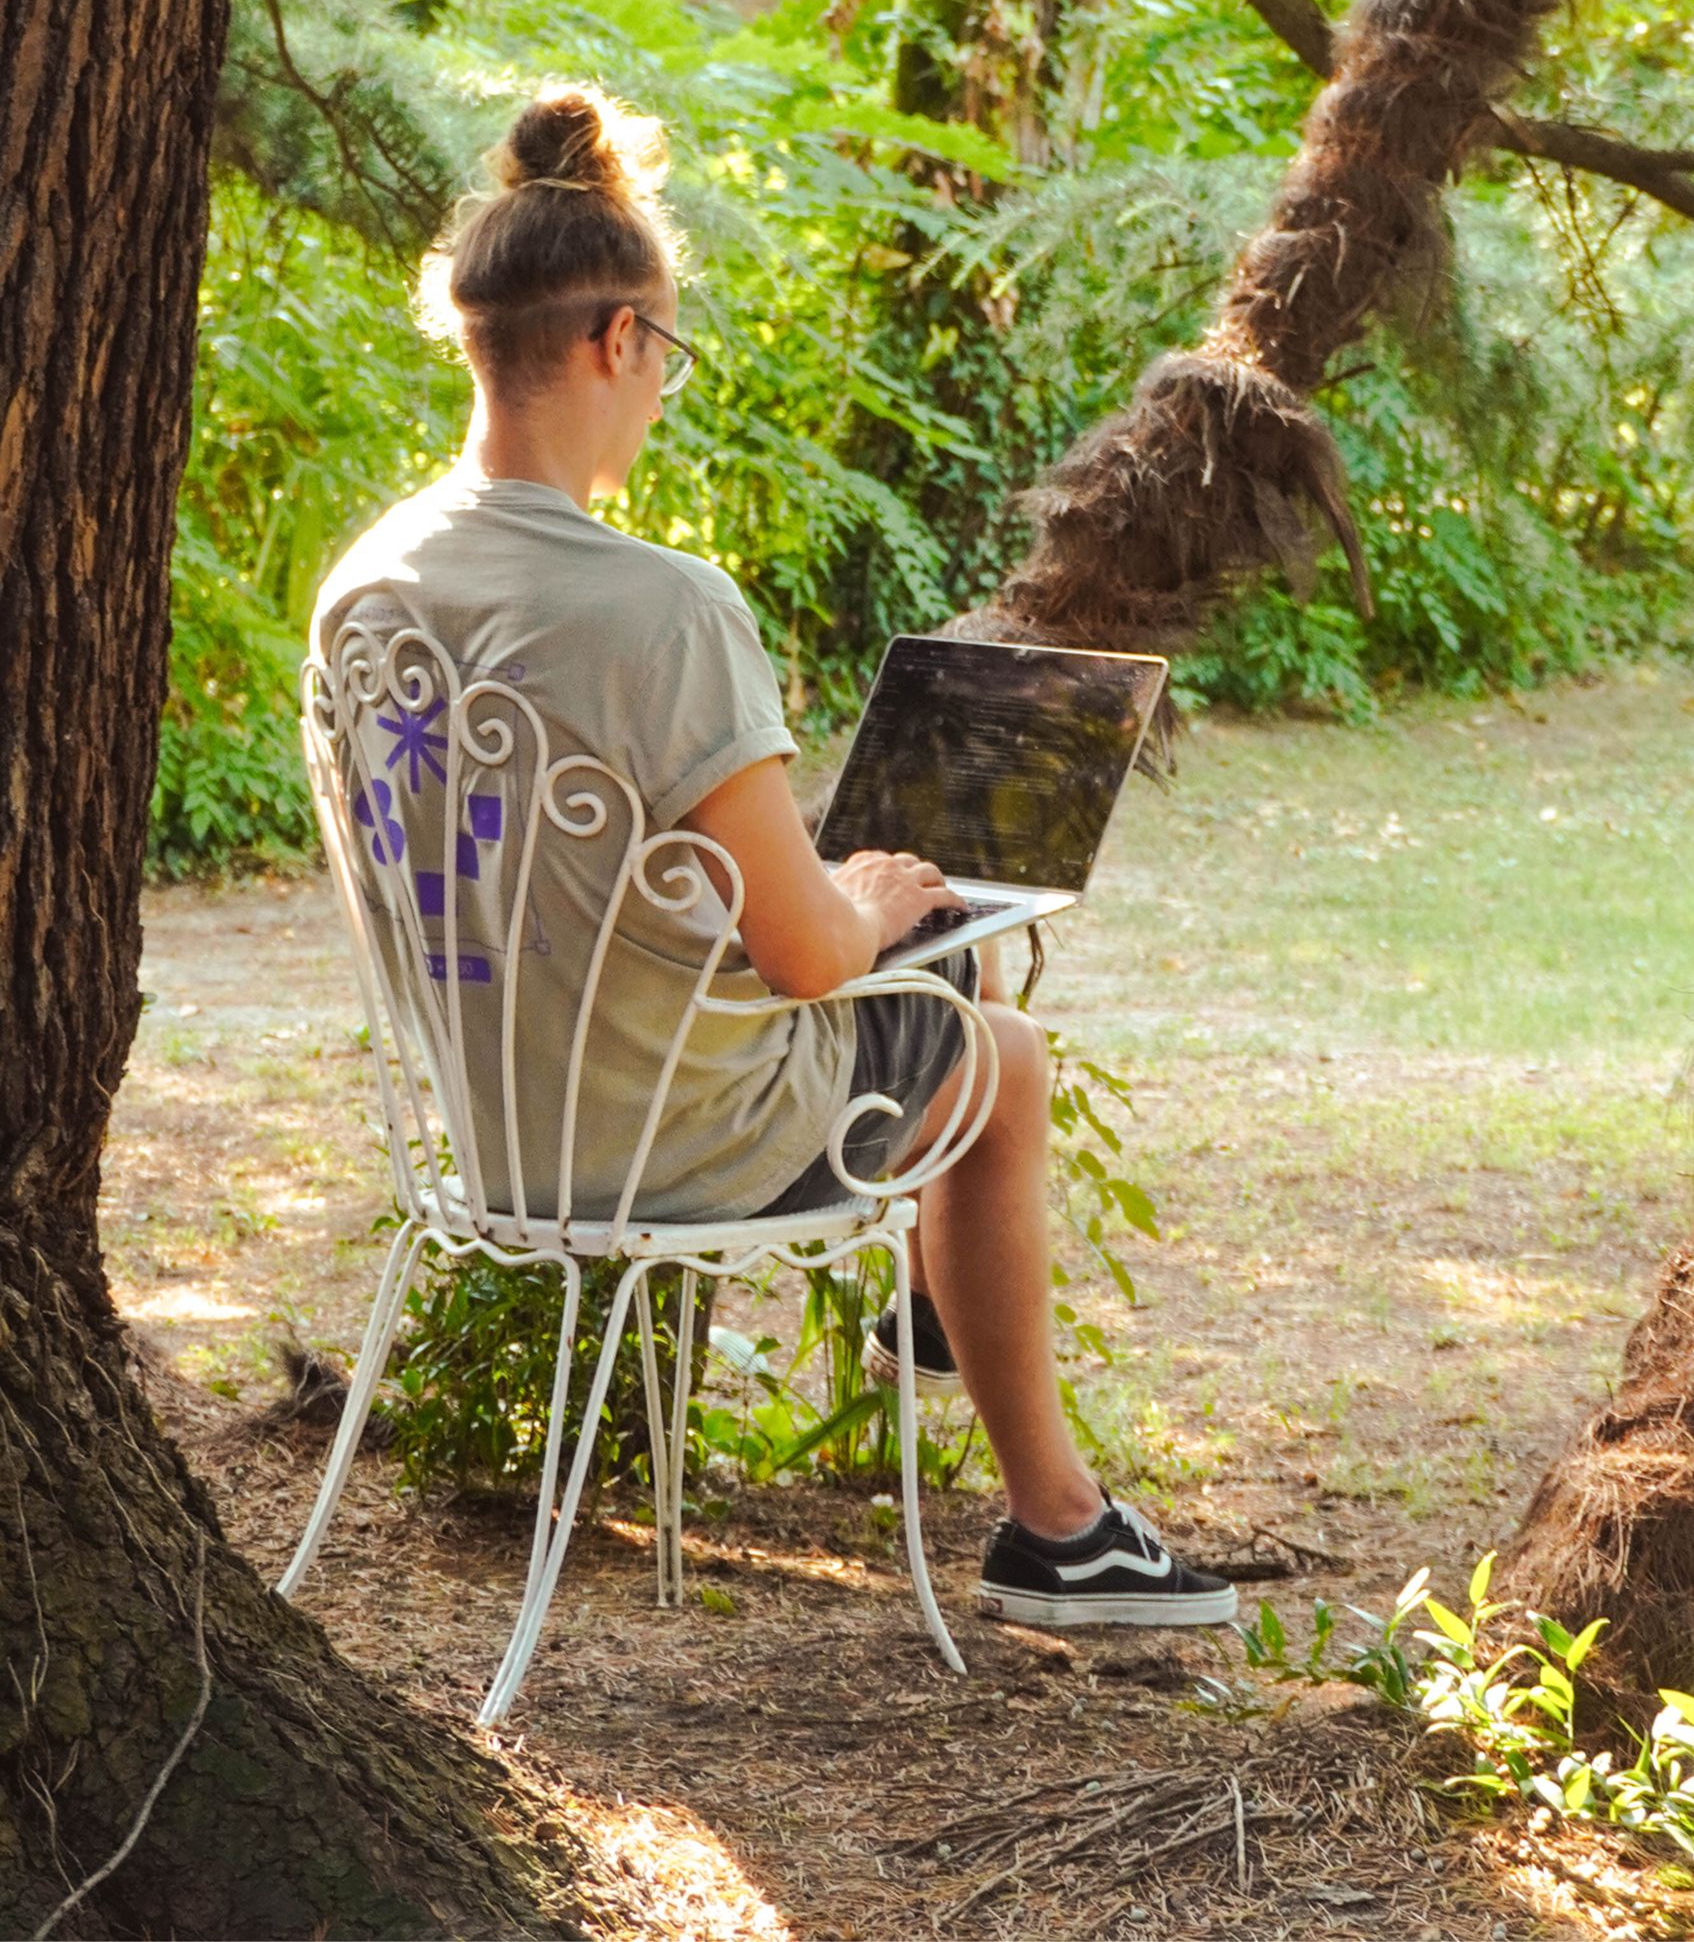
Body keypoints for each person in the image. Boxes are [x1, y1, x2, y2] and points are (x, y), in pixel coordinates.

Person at [313, 86, 1234, 1632]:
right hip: (669, 1136)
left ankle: (939, 1317)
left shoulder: (369, 581)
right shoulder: (662, 608)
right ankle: (1054, 1522)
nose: (661, 387)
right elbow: (807, 961)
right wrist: (862, 898)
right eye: (664, 354)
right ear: (617, 343)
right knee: (989, 1037)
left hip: (484, 1126)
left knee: (930, 973)